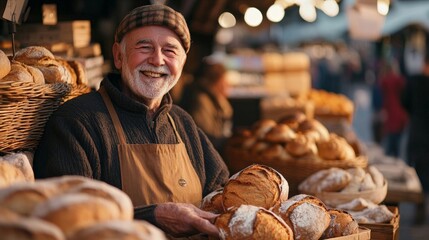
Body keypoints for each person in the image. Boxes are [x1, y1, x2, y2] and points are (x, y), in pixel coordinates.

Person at [32, 4, 230, 238]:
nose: (157, 60)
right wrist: (153, 216)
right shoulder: (77, 121)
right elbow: (67, 217)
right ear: (118, 55)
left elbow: (223, 196)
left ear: (182, 63)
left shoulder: (182, 122)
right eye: (144, 47)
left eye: (170, 51)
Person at [180, 59, 233, 154]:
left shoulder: (214, 99)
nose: (228, 84)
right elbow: (204, 136)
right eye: (225, 79)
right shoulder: (201, 101)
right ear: (217, 82)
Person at [378, 59, 408, 157]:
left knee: (390, 146)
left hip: (392, 117)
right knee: (396, 147)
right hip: (400, 117)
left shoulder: (385, 81)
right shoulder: (400, 81)